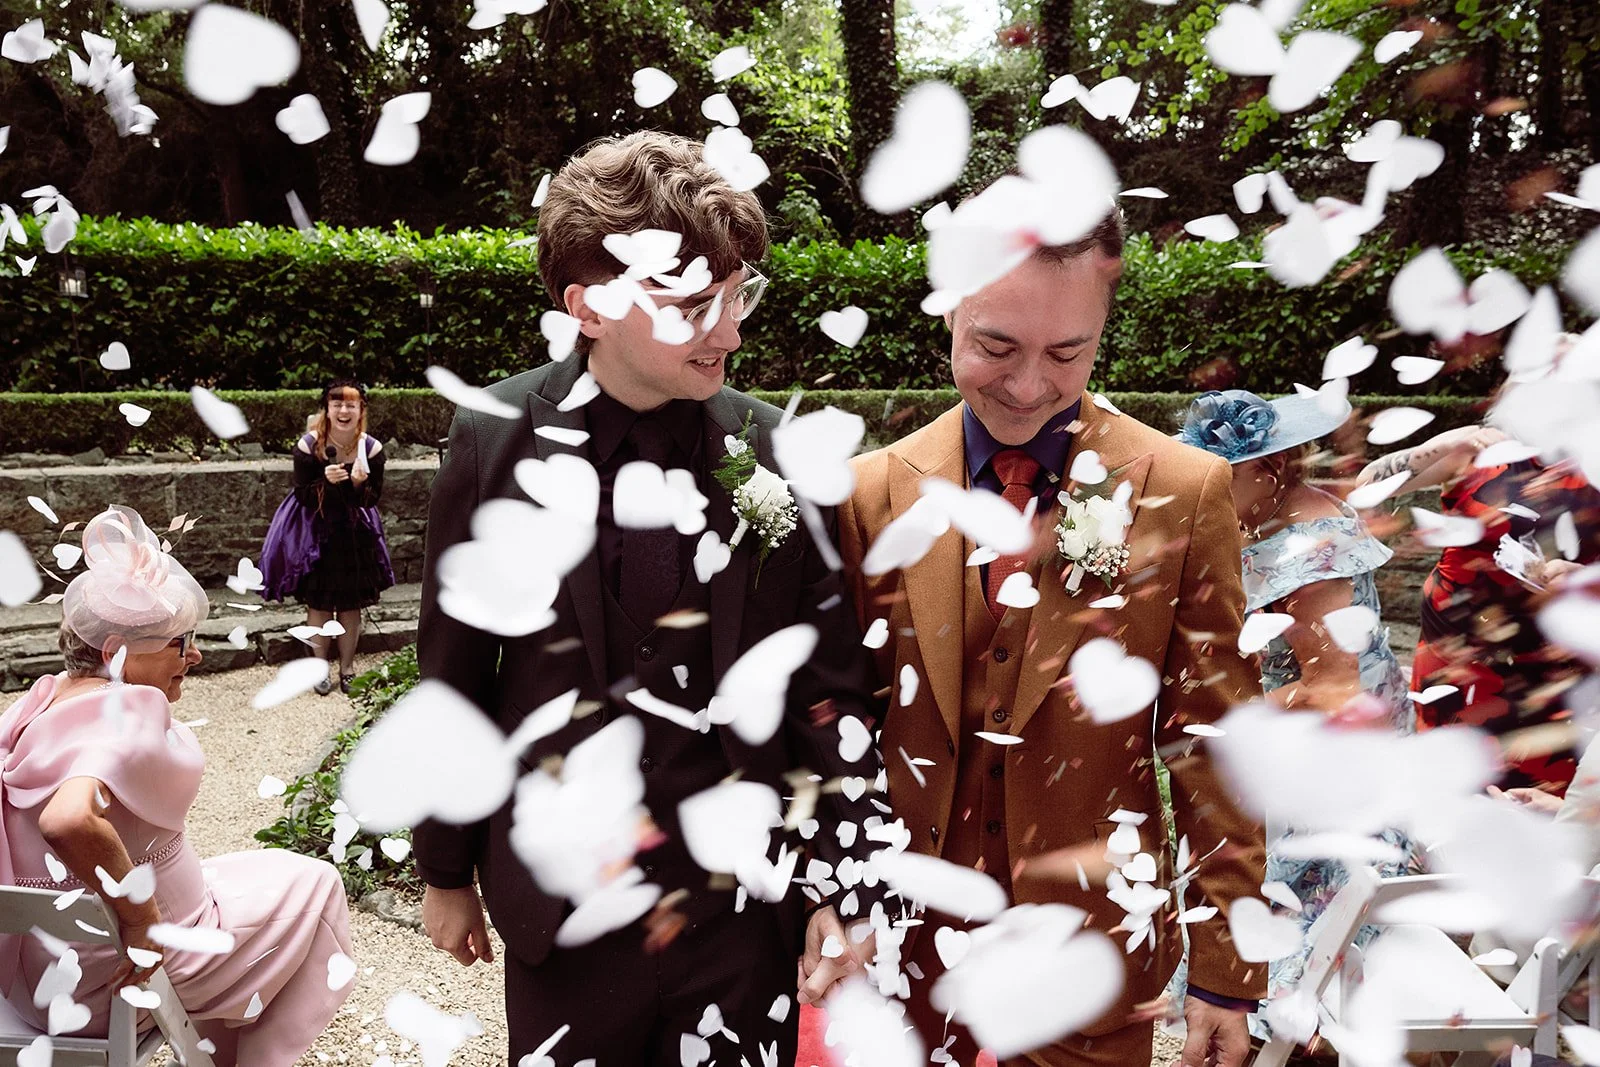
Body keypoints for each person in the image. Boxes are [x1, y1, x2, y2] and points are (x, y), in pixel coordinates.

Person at [411, 130, 887, 1066]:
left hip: (739, 913)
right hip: (564, 907)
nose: (730, 331)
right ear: (588, 306)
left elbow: (827, 688)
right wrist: (445, 868)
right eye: (693, 305)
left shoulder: (780, 454)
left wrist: (841, 880)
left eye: (737, 293)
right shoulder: (492, 441)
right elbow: (455, 675)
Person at [838, 208, 1268, 1067]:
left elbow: (1213, 739)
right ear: (948, 306)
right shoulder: (867, 492)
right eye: (996, 346)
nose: (1029, 385)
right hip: (903, 948)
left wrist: (1227, 971)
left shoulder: (1185, 491)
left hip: (1093, 949)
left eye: (1068, 353)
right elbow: (838, 723)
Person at [0, 505, 354, 1066]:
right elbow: (67, 819)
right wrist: (141, 922)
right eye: (178, 642)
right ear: (116, 653)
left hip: (40, 977)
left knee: (261, 873)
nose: (195, 655)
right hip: (119, 975)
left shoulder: (40, 700)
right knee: (319, 886)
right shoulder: (125, 707)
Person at [1178, 388, 1415, 996]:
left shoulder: (1311, 549)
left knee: (1301, 919)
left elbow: (1329, 688)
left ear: (1272, 466)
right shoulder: (1281, 512)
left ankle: (1276, 1010)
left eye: (1224, 475)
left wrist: (1224, 719)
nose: (1210, 489)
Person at [1359, 415, 1600, 790]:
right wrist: (1445, 448)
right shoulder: (1481, 446)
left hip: (1547, 670)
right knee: (1449, 786)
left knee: (1532, 794)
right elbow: (1367, 485)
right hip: (1454, 659)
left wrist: (1583, 576)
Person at [260, 379, 394, 695]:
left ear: (361, 409)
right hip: (314, 536)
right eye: (337, 404)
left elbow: (372, 499)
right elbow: (303, 495)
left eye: (351, 404)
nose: (344, 410)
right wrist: (324, 481)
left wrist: (358, 484)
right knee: (319, 604)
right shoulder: (309, 446)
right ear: (328, 409)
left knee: (350, 605)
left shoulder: (372, 449)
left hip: (354, 534)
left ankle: (347, 669)